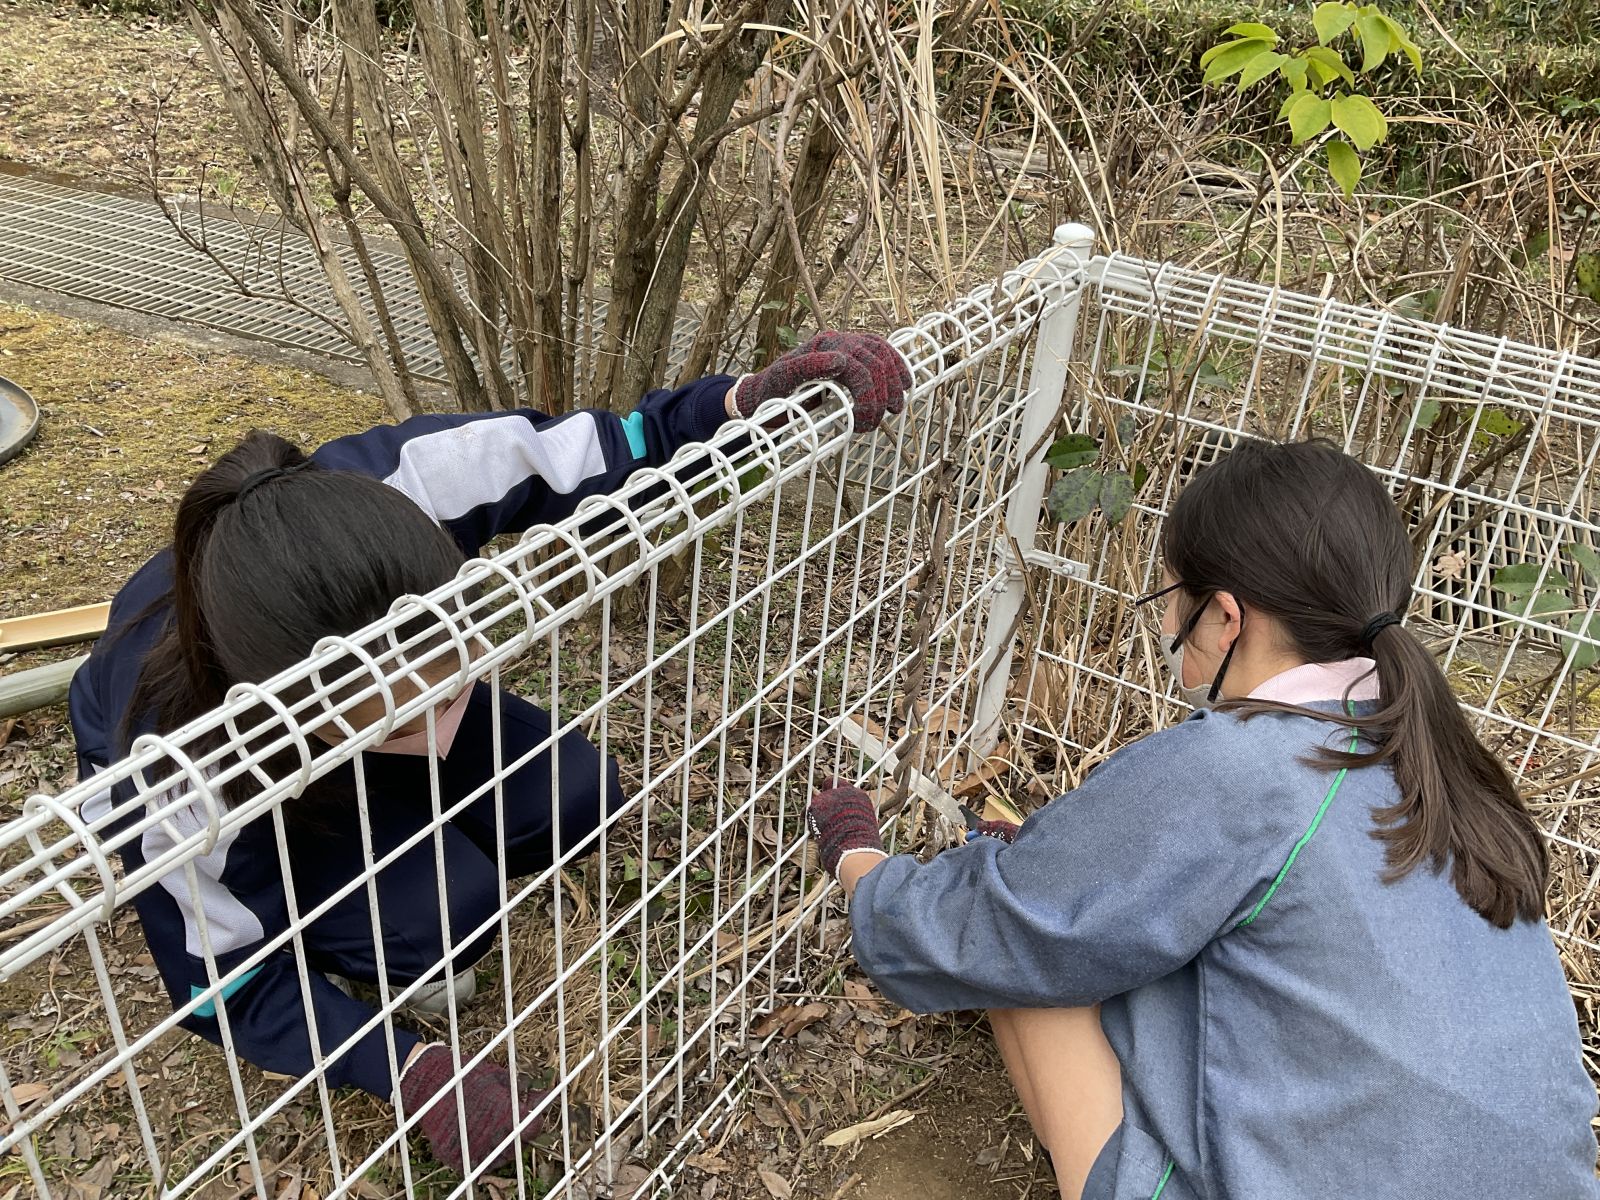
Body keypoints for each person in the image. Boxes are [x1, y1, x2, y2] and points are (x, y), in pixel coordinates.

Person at [67, 333, 911, 1176]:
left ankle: (406, 775)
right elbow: (220, 985)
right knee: (442, 917)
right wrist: (407, 1070)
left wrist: (738, 404)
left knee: (576, 793)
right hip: (266, 781)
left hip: (342, 712)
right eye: (404, 725)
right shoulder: (170, 766)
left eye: (452, 684)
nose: (437, 734)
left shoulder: (402, 492)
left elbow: (602, 446)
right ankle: (360, 934)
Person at [806, 439, 1599, 1200]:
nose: (1163, 627)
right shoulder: (1441, 759)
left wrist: (859, 859)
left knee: (1024, 953)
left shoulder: (1246, 765)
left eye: (1169, 600)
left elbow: (1005, 923)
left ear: (1225, 616)